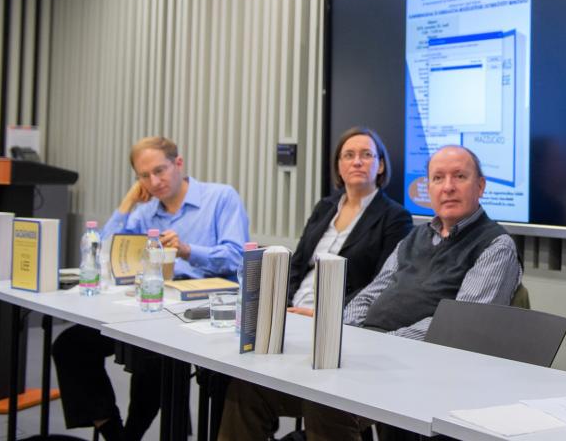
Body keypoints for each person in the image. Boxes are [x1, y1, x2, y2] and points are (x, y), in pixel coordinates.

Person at [218, 145, 523, 441]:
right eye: (438, 178)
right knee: (248, 389)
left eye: (460, 176)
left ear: (481, 186)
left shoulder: (495, 246)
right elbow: (371, 294)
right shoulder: (416, 236)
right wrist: (336, 331)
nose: (448, 187)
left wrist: (381, 344)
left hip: (419, 369)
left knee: (328, 400)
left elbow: (459, 328)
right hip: (369, 354)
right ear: (428, 188)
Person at [53, 136, 249, 441]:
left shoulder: (220, 197)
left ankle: (130, 435)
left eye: (160, 171)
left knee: (153, 352)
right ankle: (115, 434)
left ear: (178, 163)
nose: (154, 182)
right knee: (70, 346)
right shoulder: (145, 211)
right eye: (144, 176)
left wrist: (187, 250)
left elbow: (237, 257)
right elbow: (104, 253)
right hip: (152, 303)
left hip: (202, 306)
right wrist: (127, 204)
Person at [286, 126, 413, 313]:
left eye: (366, 155)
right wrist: (284, 304)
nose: (357, 162)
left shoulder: (396, 218)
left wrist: (322, 313)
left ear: (381, 166)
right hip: (293, 310)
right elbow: (296, 266)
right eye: (349, 155)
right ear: (339, 166)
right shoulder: (324, 207)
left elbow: (380, 285)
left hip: (339, 317)